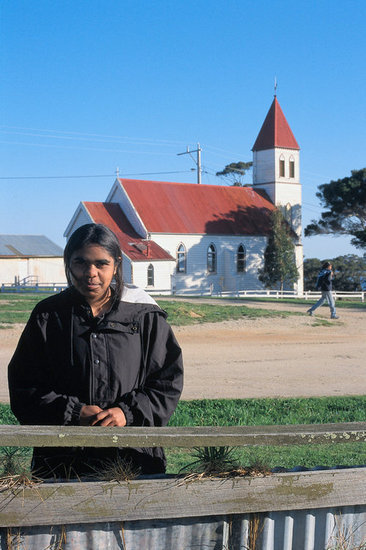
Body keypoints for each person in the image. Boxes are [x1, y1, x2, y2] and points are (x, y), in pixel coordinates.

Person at [8, 223, 183, 479]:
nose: (91, 273)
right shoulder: (48, 316)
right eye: (81, 262)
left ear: (117, 264)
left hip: (134, 461)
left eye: (101, 263)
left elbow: (167, 383)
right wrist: (73, 413)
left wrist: (128, 413)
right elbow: (24, 388)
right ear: (68, 263)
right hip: (61, 465)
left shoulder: (143, 316)